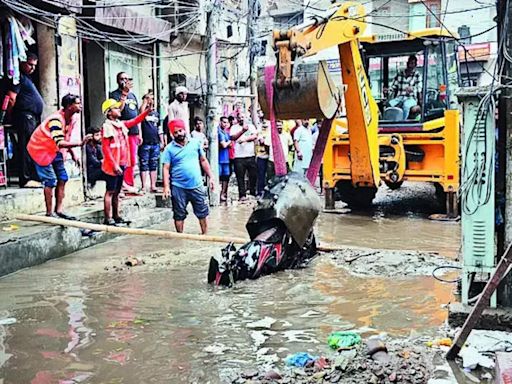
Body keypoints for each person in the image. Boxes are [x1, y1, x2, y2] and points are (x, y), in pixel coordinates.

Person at [27, 94, 90, 219]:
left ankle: (59, 210)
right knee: (50, 180)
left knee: (63, 177)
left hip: (54, 150)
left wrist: (72, 154)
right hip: (41, 149)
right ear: (69, 106)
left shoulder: (72, 119)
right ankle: (49, 213)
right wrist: (80, 144)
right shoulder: (56, 120)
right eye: (77, 103)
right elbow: (60, 141)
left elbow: (65, 138)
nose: (80, 105)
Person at [101, 98, 150, 226]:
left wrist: (147, 111)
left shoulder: (120, 124)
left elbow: (135, 121)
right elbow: (106, 148)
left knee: (117, 192)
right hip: (112, 165)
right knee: (110, 192)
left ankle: (116, 216)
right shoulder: (107, 126)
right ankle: (108, 218)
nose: (119, 109)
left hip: (121, 163)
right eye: (116, 108)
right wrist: (114, 165)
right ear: (109, 112)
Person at [162, 119, 214, 234]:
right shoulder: (169, 149)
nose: (179, 134)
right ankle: (180, 238)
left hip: (197, 185)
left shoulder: (195, 143)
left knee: (203, 212)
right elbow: (165, 168)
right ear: (172, 134)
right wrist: (166, 187)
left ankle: (205, 235)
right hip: (178, 187)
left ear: (185, 130)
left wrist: (211, 177)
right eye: (175, 132)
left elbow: (203, 160)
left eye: (180, 130)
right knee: (179, 214)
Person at [6, 52, 44, 187]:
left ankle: (33, 176)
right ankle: (25, 179)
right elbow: (11, 98)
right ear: (22, 62)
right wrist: (9, 114)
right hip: (24, 116)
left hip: (32, 117)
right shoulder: (18, 78)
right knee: (25, 147)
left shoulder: (28, 78)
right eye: (30, 64)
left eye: (35, 66)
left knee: (32, 147)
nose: (33, 68)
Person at [109, 72, 141, 193]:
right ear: (118, 81)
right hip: (121, 130)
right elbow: (118, 111)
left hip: (133, 131)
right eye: (122, 79)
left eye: (127, 79)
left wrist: (140, 133)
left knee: (132, 159)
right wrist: (124, 95)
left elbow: (136, 114)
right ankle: (123, 185)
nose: (124, 81)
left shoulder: (133, 96)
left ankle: (129, 183)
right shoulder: (114, 95)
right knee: (123, 159)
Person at [139, 93, 163, 193]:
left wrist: (162, 141)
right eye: (148, 98)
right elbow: (141, 114)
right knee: (144, 163)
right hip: (145, 142)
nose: (151, 100)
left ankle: (153, 185)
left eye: (152, 98)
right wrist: (145, 102)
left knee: (154, 163)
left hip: (155, 142)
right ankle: (144, 186)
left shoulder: (156, 114)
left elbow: (159, 128)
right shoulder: (143, 112)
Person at [230, 114, 257, 201]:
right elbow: (232, 137)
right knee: (240, 177)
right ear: (237, 119)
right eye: (239, 117)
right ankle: (242, 195)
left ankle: (252, 193)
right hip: (239, 156)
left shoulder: (251, 126)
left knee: (253, 175)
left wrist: (245, 139)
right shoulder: (234, 127)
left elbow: (255, 136)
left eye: (243, 117)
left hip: (250, 155)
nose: (241, 119)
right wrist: (242, 131)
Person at [387, 55, 422, 120]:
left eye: (413, 64)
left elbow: (419, 89)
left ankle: (402, 122)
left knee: (406, 106)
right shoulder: (400, 74)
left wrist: (412, 89)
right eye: (410, 63)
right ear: (407, 64)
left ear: (415, 65)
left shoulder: (417, 75)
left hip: (411, 98)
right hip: (399, 97)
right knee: (389, 104)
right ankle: (390, 122)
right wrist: (388, 90)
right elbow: (394, 86)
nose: (412, 66)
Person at [218, 116, 231, 202]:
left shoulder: (226, 133)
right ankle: (218, 194)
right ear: (220, 122)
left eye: (226, 122)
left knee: (226, 177)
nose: (225, 124)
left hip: (226, 158)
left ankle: (223, 194)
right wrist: (229, 142)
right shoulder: (218, 132)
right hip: (219, 159)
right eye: (223, 122)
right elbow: (224, 145)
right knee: (218, 177)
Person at [255, 120, 270, 196]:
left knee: (269, 176)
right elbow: (261, 141)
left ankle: (268, 191)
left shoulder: (271, 130)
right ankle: (260, 192)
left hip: (270, 157)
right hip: (261, 156)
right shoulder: (259, 130)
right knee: (261, 175)